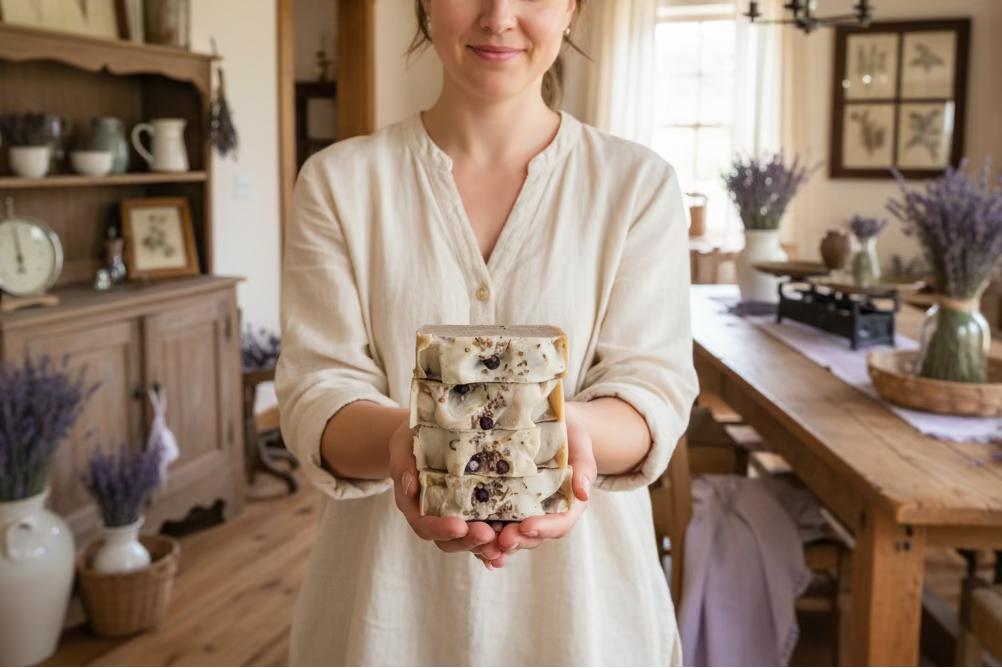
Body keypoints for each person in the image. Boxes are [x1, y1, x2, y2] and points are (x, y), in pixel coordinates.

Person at [275, 0, 699, 665]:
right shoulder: (338, 183)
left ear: (573, 9)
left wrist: (568, 441)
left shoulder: (637, 186)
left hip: (584, 623)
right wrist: (408, 445)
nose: (499, 17)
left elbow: (654, 390)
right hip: (384, 620)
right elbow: (316, 392)